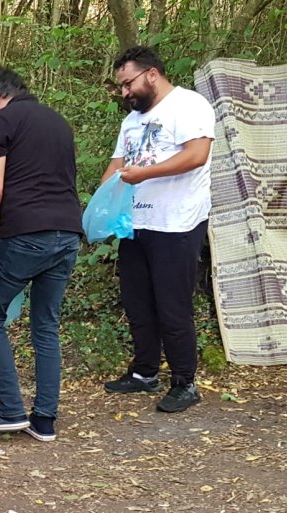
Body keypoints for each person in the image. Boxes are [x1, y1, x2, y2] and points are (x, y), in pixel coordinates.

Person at [0, 68, 82, 442]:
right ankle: (44, 420)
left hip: (24, 233)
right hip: (67, 233)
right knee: (45, 325)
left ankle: (10, 410)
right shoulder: (59, 122)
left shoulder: (2, 120)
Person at [101, 46, 215, 413]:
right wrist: (99, 207)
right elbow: (118, 164)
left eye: (127, 83)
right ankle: (144, 374)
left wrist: (144, 174)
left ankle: (184, 382)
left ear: (151, 74)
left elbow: (197, 155)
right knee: (138, 302)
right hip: (136, 223)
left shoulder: (189, 105)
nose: (124, 92)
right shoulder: (131, 120)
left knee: (172, 304)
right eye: (120, 86)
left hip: (177, 222)